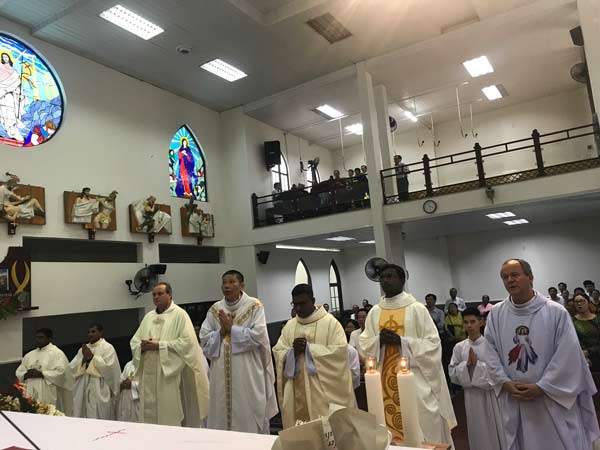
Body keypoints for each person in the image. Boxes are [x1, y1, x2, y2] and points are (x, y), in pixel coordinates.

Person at [482, 259, 599, 450]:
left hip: (551, 398)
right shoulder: (496, 314)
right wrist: (504, 382)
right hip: (515, 397)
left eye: (514, 275)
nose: (509, 280)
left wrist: (543, 386)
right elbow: (490, 352)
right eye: (505, 277)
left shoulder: (555, 312)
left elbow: (568, 355)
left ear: (530, 277)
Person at [360, 265, 456, 445]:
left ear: (402, 280)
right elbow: (364, 344)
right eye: (383, 277)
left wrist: (402, 342)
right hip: (384, 382)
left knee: (423, 426)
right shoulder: (375, 311)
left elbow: (433, 344)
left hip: (416, 383)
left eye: (390, 276)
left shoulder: (417, 309)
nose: (385, 280)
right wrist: (378, 341)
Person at [199, 270, 277, 434]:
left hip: (248, 371)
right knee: (220, 416)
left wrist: (232, 329)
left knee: (247, 413)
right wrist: (221, 332)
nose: (227, 286)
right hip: (220, 374)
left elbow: (259, 336)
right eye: (224, 282)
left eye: (232, 282)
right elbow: (204, 340)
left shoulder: (254, 306)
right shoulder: (215, 309)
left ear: (242, 285)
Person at [272, 283, 355, 429]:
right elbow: (278, 351)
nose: (298, 308)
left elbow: (340, 353)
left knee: (325, 433)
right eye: (295, 304)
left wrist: (310, 350)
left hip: (322, 394)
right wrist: (291, 352)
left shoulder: (330, 323)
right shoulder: (290, 326)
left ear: (313, 300)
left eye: (302, 303)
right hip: (296, 391)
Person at [130, 282, 209, 427]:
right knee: (148, 415)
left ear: (170, 294)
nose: (156, 297)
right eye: (154, 294)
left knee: (167, 411)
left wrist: (159, 345)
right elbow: (134, 341)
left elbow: (187, 343)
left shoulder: (180, 314)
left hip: (167, 373)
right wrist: (141, 346)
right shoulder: (148, 317)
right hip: (148, 372)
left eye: (160, 293)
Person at [449, 308, 505, 450]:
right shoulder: (459, 347)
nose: (469, 326)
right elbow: (452, 373)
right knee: (477, 430)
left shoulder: (491, 345)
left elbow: (499, 372)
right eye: (466, 322)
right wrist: (466, 366)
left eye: (473, 321)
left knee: (494, 429)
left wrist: (477, 366)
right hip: (471, 397)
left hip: (490, 396)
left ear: (481, 322)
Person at [15, 328, 73, 415]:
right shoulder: (29, 355)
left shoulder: (56, 353)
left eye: (41, 337)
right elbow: (19, 372)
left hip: (47, 391)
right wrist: (26, 374)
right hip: (30, 390)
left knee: (47, 414)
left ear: (49, 339)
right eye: (36, 337)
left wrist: (41, 374)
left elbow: (61, 372)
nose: (38, 340)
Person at [70, 323, 121, 419]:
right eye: (88, 332)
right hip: (83, 385)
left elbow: (110, 369)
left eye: (93, 331)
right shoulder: (83, 349)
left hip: (100, 386)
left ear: (101, 333)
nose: (90, 334)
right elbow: (72, 368)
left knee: (99, 416)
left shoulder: (107, 347)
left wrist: (91, 358)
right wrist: (83, 360)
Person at [0, 52, 26, 141]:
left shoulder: (14, 71)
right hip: (2, 95)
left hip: (10, 95)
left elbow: (17, 83)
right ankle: (10, 130)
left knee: (11, 111)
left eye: (6, 56)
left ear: (9, 58)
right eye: (3, 57)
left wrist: (18, 92)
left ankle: (13, 130)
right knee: (4, 112)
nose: (5, 58)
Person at [573, 293, 600, 370]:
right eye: (576, 302)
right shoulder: (572, 321)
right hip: (579, 359)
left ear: (588, 302)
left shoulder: (597, 320)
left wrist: (589, 351)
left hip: (597, 356)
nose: (579, 304)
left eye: (582, 301)